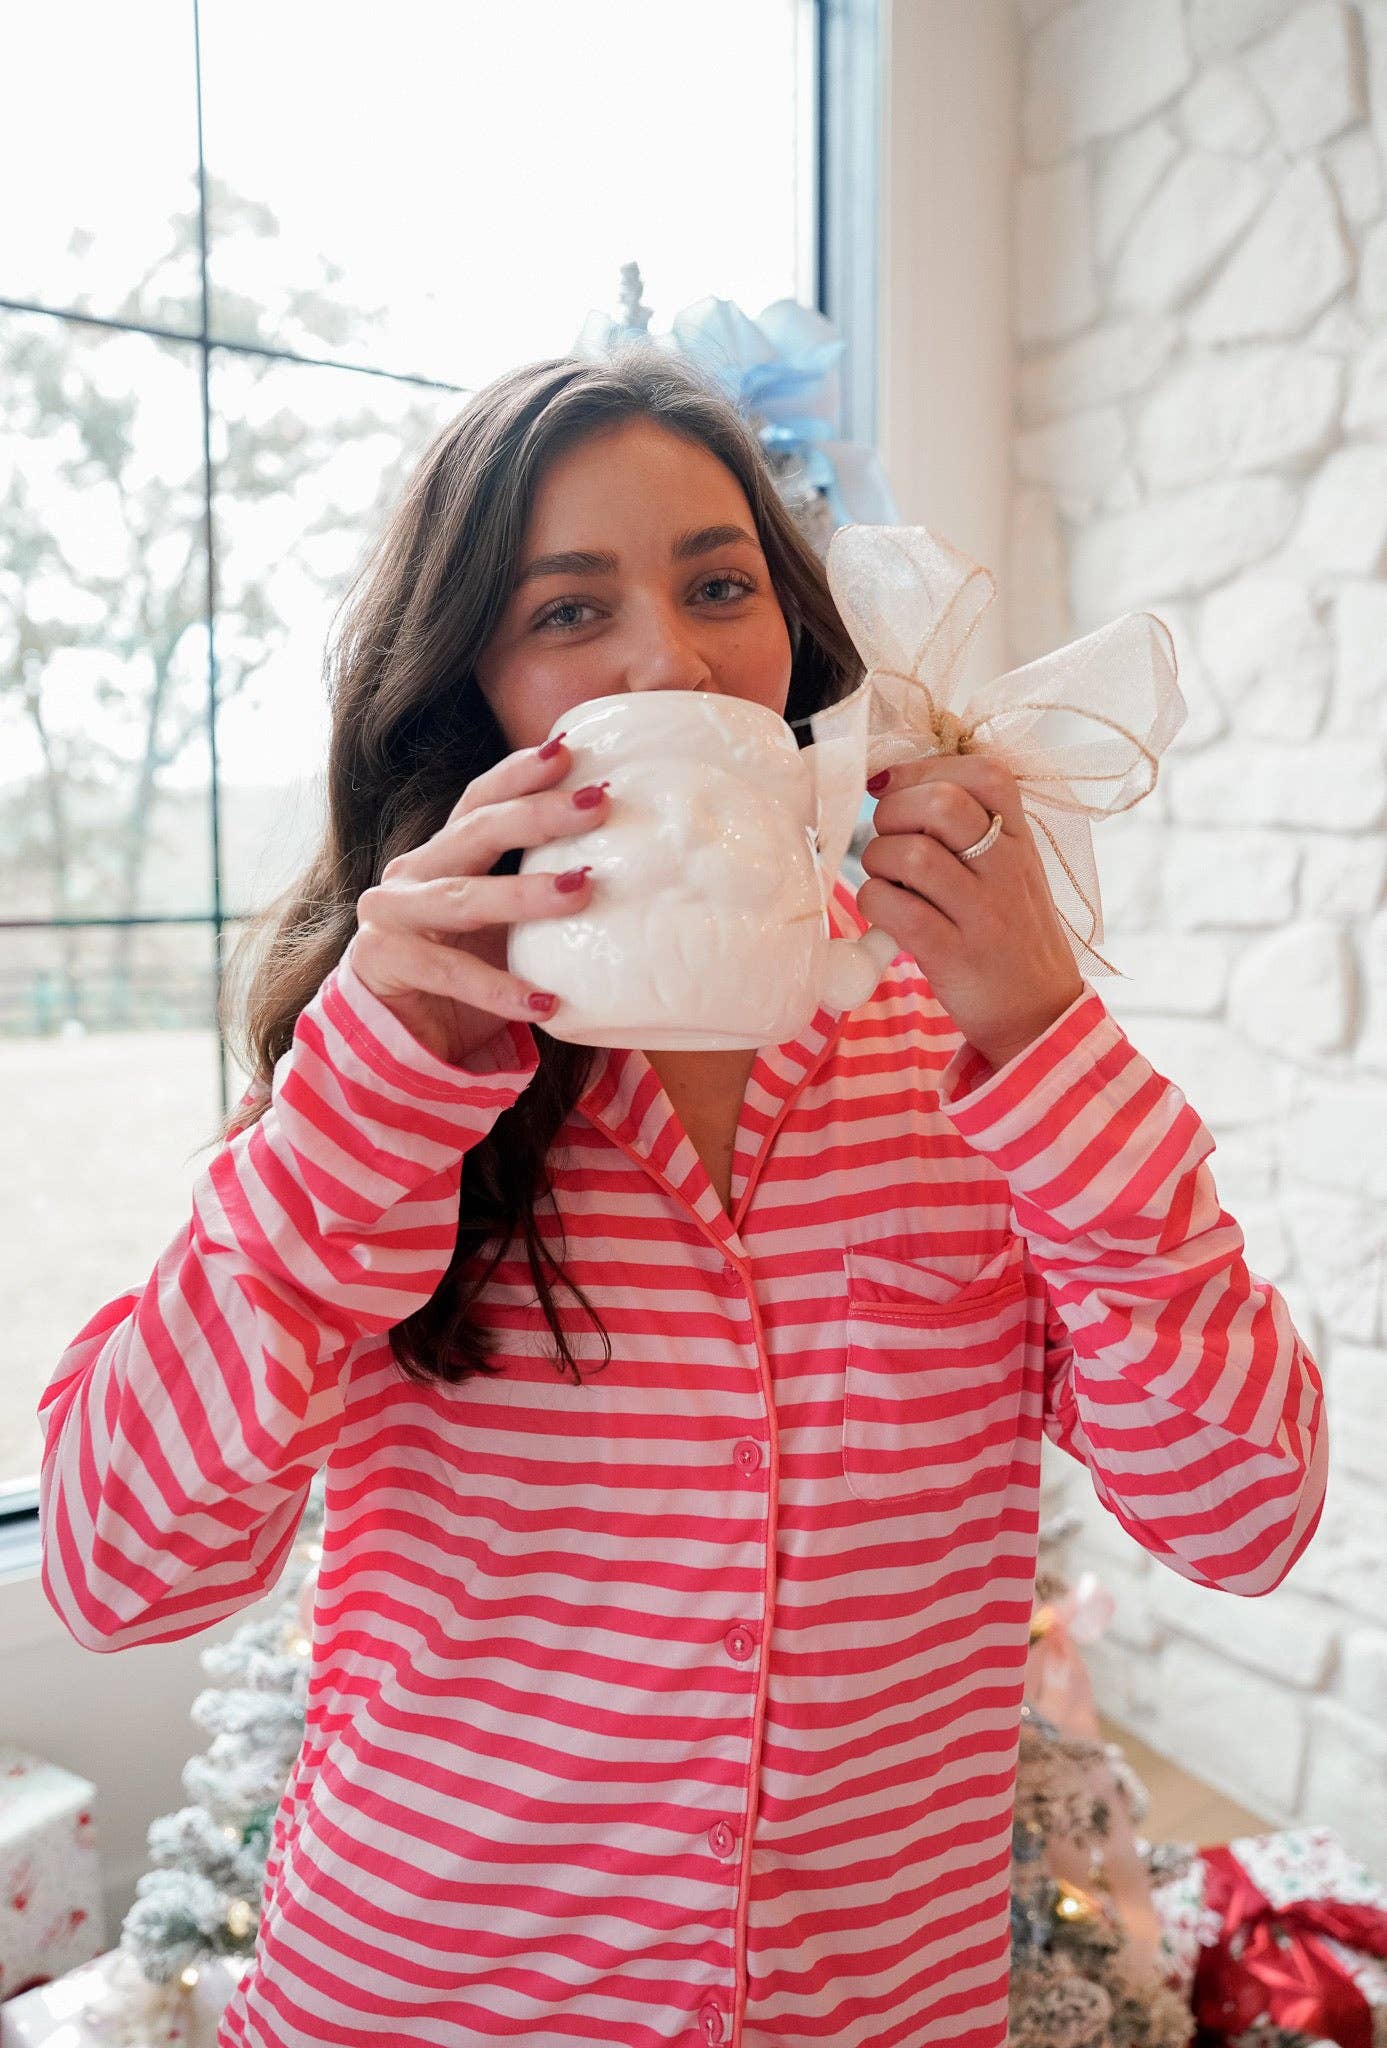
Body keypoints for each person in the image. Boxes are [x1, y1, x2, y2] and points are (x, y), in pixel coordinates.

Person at [37, 346, 1327, 2048]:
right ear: (473, 692)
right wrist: (372, 1091)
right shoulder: (388, 1068)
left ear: (793, 638)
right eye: (570, 611)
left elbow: (1243, 1513)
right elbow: (122, 1567)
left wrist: (1046, 1033)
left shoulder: (969, 1050)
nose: (672, 652)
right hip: (419, 1999)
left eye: (721, 585)